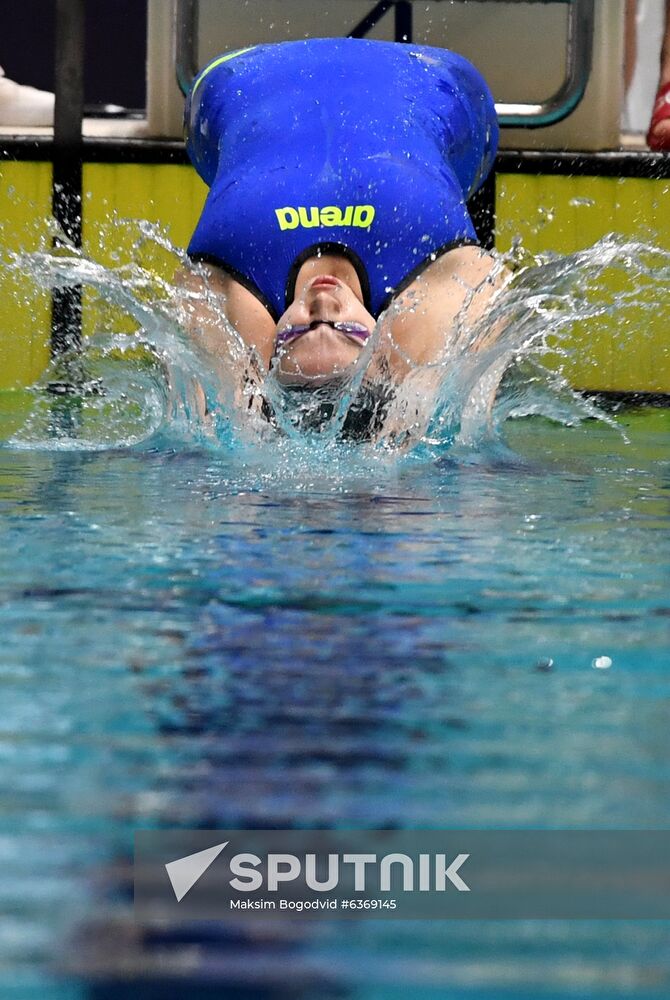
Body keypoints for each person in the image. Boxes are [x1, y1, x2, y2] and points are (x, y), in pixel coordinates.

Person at [177, 37, 509, 439]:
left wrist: (238, 409)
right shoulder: (430, 268)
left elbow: (206, 420)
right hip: (444, 82)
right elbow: (491, 291)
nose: (322, 302)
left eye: (296, 333)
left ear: (267, 352)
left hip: (231, 77)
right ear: (382, 347)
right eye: (348, 331)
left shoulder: (236, 266)